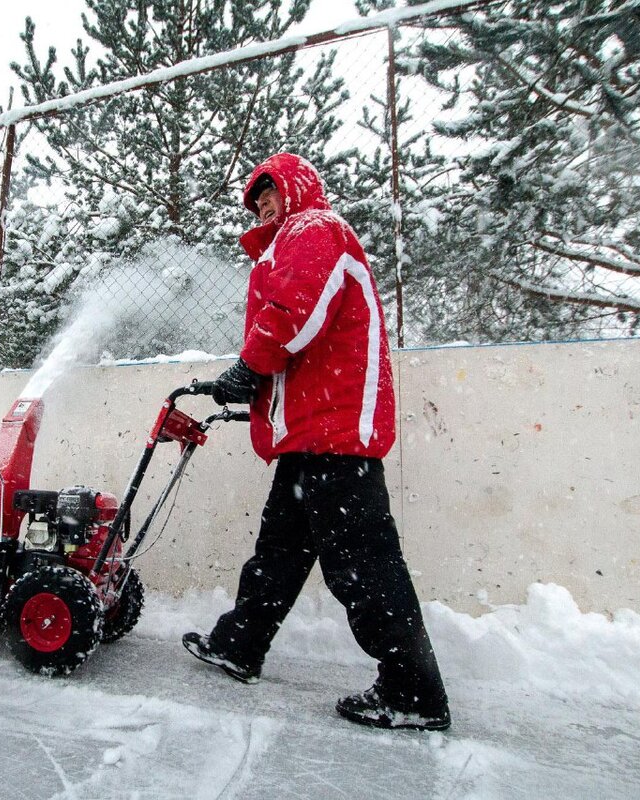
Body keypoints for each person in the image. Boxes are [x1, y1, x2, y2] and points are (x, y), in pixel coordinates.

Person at [182, 152, 450, 731]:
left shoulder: (316, 228)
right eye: (256, 202)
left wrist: (248, 367)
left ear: (295, 188)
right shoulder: (289, 243)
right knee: (277, 552)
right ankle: (241, 644)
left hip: (337, 434)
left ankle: (413, 691)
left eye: (270, 193)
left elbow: (295, 314)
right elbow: (291, 328)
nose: (264, 207)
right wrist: (253, 385)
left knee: (362, 564)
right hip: (309, 435)